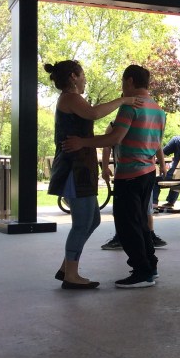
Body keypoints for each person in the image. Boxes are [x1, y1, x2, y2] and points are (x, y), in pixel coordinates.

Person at [63, 64, 166, 289]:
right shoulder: (158, 109)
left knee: (128, 226)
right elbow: (157, 143)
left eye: (122, 82)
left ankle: (141, 272)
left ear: (129, 81)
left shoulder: (131, 107)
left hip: (129, 174)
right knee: (142, 223)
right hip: (148, 173)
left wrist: (82, 142)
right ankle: (151, 266)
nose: (121, 88)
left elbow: (114, 138)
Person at [46, 59, 141, 290]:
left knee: (93, 219)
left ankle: (67, 267)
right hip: (73, 168)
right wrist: (124, 100)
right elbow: (94, 113)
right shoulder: (71, 98)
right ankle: (71, 275)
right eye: (83, 75)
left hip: (81, 167)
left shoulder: (71, 99)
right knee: (82, 223)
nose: (85, 79)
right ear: (73, 77)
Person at [99, 121, 167, 250]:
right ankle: (125, 235)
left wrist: (162, 164)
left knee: (143, 206)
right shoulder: (116, 124)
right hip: (130, 171)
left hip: (139, 171)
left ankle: (147, 235)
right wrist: (105, 167)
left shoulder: (144, 123)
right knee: (131, 207)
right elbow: (107, 146)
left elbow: (157, 144)